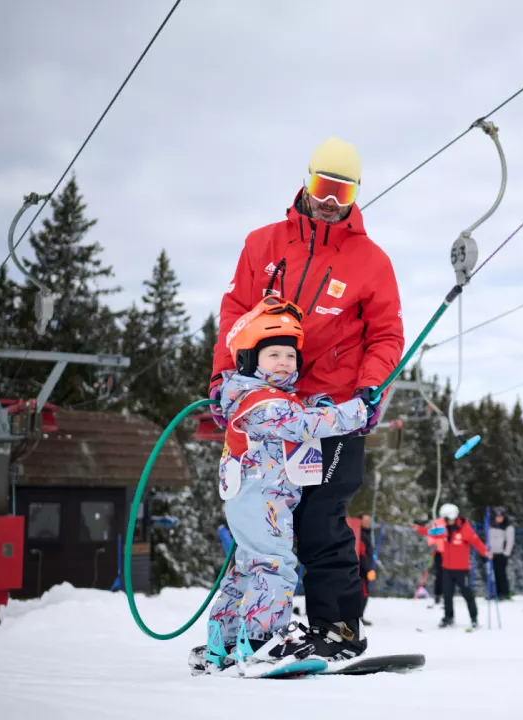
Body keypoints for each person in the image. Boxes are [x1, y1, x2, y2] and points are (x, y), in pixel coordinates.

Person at [207, 137, 404, 664]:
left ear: (356, 194)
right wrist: (225, 380)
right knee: (266, 519)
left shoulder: (371, 262)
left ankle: (335, 627)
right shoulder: (263, 245)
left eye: (343, 192)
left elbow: (386, 335)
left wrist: (369, 389)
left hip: (333, 411)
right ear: (307, 180)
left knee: (322, 516)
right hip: (269, 409)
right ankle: (242, 632)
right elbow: (234, 316)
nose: (330, 201)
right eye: (323, 187)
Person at [189, 296, 369, 677]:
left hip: (259, 501)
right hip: (259, 501)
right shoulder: (256, 400)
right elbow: (303, 425)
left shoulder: (269, 398)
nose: (285, 363)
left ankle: (223, 644)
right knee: (275, 565)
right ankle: (263, 642)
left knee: (246, 571)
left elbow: (298, 413)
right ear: (251, 361)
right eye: (273, 355)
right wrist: (356, 411)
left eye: (290, 356)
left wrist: (319, 402)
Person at [415, 504, 491, 628]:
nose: (446, 522)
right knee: (447, 594)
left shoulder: (465, 529)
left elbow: (476, 541)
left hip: (462, 569)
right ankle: (448, 617)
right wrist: (418, 529)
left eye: (447, 519)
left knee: (467, 594)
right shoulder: (443, 529)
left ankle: (474, 618)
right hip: (447, 568)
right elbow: (430, 532)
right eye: (444, 519)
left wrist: (486, 552)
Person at [488, 507, 515, 600]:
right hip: (492, 553)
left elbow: (510, 541)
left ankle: (504, 592)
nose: (499, 518)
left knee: (501, 573)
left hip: (501, 553)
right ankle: (496, 592)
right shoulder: (491, 525)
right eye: (497, 516)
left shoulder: (508, 526)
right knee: (493, 573)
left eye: (500, 516)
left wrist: (506, 553)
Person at [357, 513, 376, 625]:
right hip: (361, 571)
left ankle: (359, 617)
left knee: (364, 594)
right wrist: (369, 570)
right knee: (363, 594)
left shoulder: (367, 534)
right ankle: (358, 618)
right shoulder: (361, 534)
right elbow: (363, 555)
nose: (367, 523)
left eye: (369, 521)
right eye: (365, 521)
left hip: (365, 569)